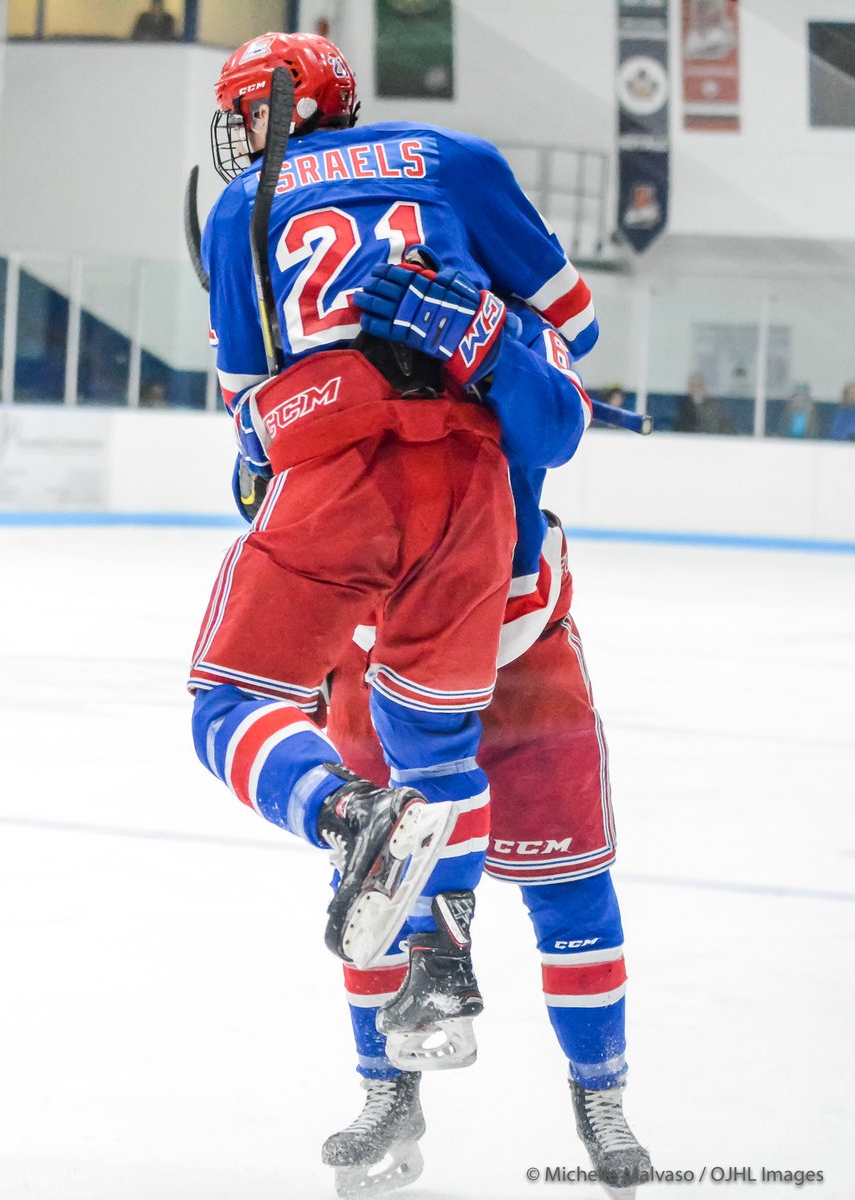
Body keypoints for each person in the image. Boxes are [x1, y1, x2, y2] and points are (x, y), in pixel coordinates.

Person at [202, 31, 649, 1198]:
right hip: (466, 606)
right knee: (403, 881)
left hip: (494, 624)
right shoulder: (451, 193)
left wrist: (496, 346)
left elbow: (548, 409)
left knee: (553, 877)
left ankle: (599, 1107)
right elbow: (566, 378)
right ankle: (390, 1098)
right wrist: (503, 347)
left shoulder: (281, 235)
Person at [191, 29, 525, 1069]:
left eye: (250, 110)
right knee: (440, 746)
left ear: (291, 107)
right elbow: (571, 320)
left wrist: (266, 464)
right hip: (476, 478)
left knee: (227, 705)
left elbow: (253, 399)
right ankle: (446, 971)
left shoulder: (241, 208)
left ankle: (347, 813)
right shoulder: (454, 161)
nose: (241, 133)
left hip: (342, 463)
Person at [673, 370, 735, 435]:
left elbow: (728, 429)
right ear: (688, 388)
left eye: (699, 385)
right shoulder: (682, 408)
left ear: (705, 387)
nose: (696, 388)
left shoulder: (715, 407)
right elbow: (679, 432)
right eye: (693, 385)